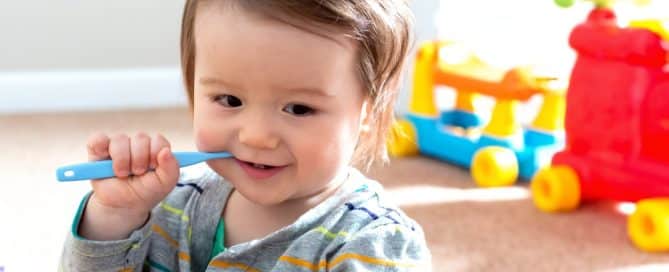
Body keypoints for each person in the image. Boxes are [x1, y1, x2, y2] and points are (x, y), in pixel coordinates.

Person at [60, 0, 431, 271]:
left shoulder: (375, 248)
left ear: (366, 112)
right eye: (229, 100)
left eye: (299, 109)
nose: (256, 137)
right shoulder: (168, 204)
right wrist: (114, 218)